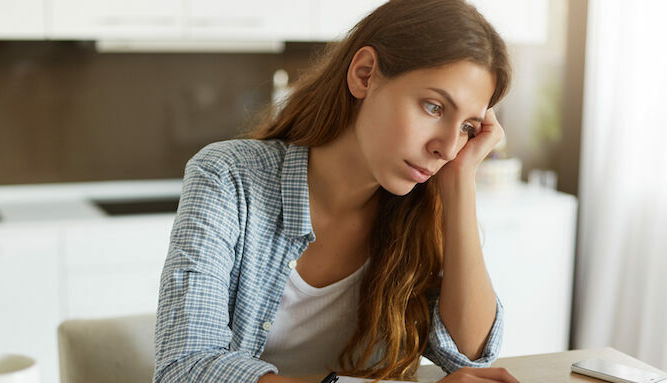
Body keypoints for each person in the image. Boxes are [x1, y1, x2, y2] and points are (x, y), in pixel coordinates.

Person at [154, 1, 520, 382]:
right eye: (433, 107)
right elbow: (184, 369)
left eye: (467, 128)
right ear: (365, 75)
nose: (446, 147)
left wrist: (460, 181)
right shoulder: (229, 178)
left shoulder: (429, 207)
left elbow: (471, 358)